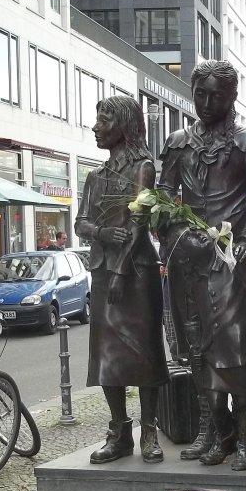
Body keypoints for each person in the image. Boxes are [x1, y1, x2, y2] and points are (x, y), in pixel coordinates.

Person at [158, 59, 246, 460]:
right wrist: (175, 233)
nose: (206, 103)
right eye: (200, 94)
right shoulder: (177, 143)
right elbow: (163, 196)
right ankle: (212, 430)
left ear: (232, 97)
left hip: (228, 262)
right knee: (195, 349)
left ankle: (242, 438)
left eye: (216, 96)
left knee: (234, 349)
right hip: (187, 258)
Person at [75, 94, 169, 464]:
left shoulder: (143, 168)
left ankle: (149, 431)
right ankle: (119, 431)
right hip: (103, 271)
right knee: (106, 356)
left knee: (144, 352)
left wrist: (119, 272)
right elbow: (81, 223)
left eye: (105, 120)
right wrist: (100, 234)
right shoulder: (95, 176)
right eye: (97, 119)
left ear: (125, 125)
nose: (96, 126)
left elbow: (138, 221)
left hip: (137, 272)